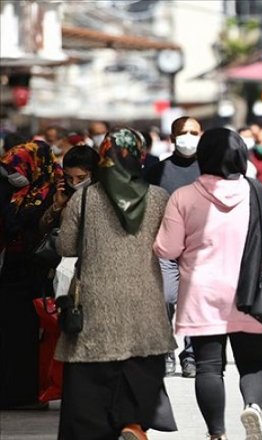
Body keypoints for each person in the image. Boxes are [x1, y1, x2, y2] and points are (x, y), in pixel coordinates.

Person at [154, 128, 262, 440]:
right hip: (250, 290)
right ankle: (253, 407)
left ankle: (217, 434)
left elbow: (167, 248)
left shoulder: (183, 197)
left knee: (208, 367)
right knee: (254, 362)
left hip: (201, 292)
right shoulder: (258, 192)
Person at [55, 128, 177, 439]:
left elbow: (66, 246)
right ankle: (132, 422)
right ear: (140, 156)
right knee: (139, 368)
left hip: (96, 302)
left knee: (90, 381)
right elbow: (170, 247)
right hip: (145, 303)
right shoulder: (159, 198)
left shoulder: (84, 198)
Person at [0, 140, 62, 410]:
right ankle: (12, 392)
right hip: (12, 268)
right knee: (11, 333)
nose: (12, 174)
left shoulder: (54, 190)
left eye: (16, 168)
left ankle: (28, 394)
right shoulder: (11, 191)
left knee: (30, 335)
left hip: (38, 270)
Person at [145, 115, 203, 378]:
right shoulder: (157, 171)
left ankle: (191, 354)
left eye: (194, 133)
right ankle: (166, 349)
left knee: (193, 302)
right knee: (166, 298)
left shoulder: (210, 170)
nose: (188, 138)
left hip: (198, 249)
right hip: (165, 247)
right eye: (183, 133)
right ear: (172, 138)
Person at [39, 145, 100, 234]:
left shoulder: (104, 195)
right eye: (69, 177)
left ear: (94, 174)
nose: (74, 183)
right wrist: (57, 206)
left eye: (81, 177)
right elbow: (43, 228)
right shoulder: (62, 192)